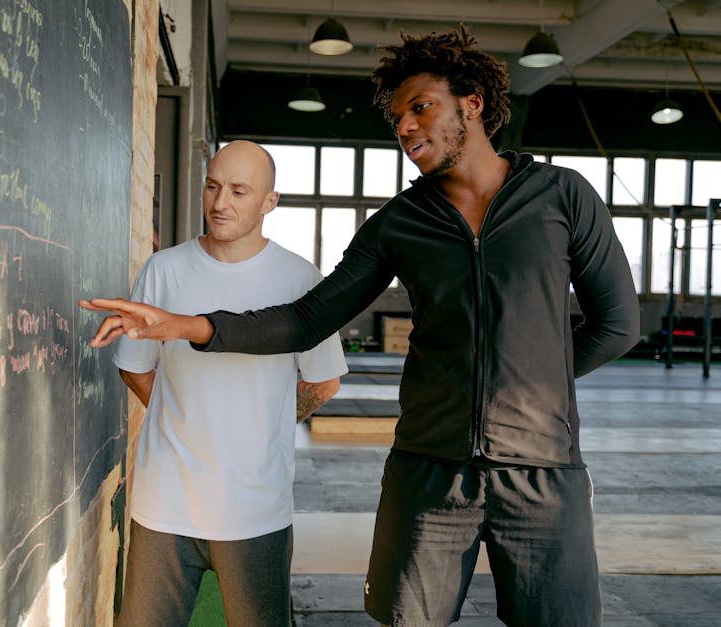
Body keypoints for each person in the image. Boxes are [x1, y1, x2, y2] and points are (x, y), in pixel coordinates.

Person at [82, 26, 639, 627]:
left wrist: (529, 389)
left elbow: (618, 324)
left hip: (543, 471)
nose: (405, 127)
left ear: (472, 104)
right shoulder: (399, 223)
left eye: (420, 108)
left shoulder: (562, 196)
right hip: (428, 472)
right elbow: (305, 319)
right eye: (397, 117)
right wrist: (186, 325)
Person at [85, 140, 348, 627]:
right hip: (165, 501)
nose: (220, 203)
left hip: (256, 506)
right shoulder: (164, 269)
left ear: (270, 202)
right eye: (212, 186)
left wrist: (261, 424)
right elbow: (134, 366)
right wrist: (184, 416)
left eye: (239, 191)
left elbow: (323, 382)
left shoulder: (301, 279)